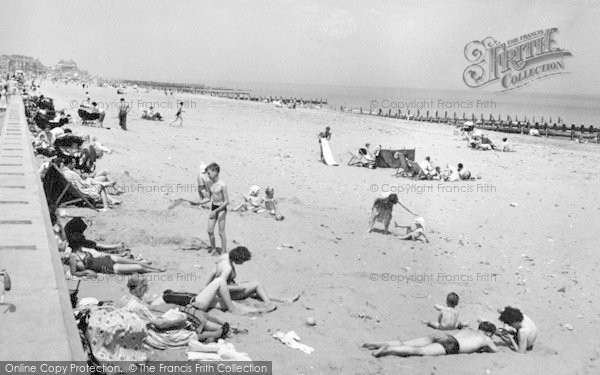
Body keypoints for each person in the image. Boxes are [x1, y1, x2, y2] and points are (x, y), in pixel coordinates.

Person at [122, 275, 227, 344]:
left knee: (187, 317)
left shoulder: (126, 299)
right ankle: (215, 334)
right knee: (184, 327)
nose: (147, 291)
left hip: (143, 326)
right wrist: (179, 320)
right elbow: (160, 324)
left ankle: (212, 336)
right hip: (152, 334)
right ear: (140, 288)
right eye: (146, 288)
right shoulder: (140, 306)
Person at [364, 321, 499, 357]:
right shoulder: (486, 339)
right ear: (488, 333)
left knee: (406, 342)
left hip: (446, 336)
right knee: (419, 351)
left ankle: (379, 343)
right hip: (453, 345)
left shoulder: (467, 329)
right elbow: (495, 351)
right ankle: (389, 349)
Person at [67, 233, 165, 276]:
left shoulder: (83, 249)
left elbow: (95, 253)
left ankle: (157, 269)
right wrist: (85, 272)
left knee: (134, 262)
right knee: (138, 267)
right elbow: (74, 273)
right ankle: (154, 272)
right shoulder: (73, 256)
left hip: (106, 259)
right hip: (107, 267)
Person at [198, 163, 229, 254]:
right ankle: (214, 249)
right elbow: (208, 198)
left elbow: (227, 202)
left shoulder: (222, 185)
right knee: (210, 230)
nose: (207, 175)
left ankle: (224, 252)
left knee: (221, 232)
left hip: (221, 208)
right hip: (214, 206)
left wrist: (216, 211)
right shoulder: (209, 183)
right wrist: (198, 203)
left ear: (215, 172)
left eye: (209, 173)